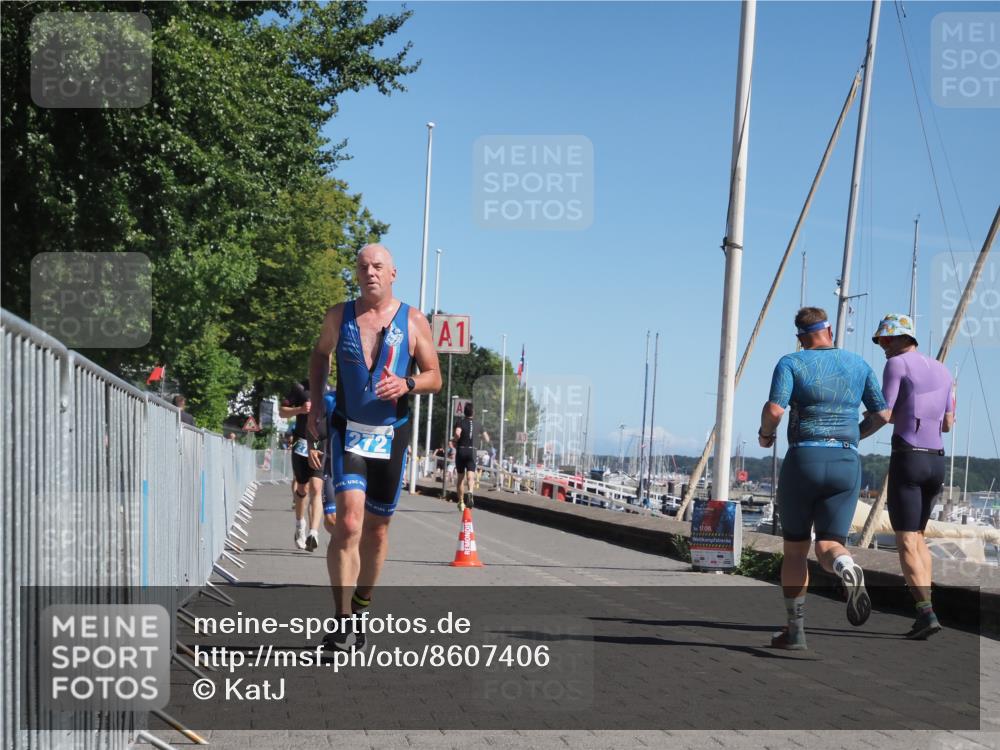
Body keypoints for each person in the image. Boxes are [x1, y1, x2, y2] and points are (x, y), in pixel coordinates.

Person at [307, 244, 441, 651]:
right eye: (364, 266)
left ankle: (363, 605)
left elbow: (435, 376)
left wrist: (408, 384)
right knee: (348, 523)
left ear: (393, 273)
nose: (370, 273)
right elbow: (319, 356)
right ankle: (341, 618)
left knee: (377, 532)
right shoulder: (339, 315)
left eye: (378, 266)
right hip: (348, 430)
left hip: (391, 435)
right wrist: (316, 403)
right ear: (357, 272)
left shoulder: (413, 320)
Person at [758, 307, 890, 650]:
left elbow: (774, 410)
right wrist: (856, 436)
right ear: (829, 330)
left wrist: (765, 434)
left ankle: (796, 631)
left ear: (801, 337)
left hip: (805, 458)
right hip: (846, 459)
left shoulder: (792, 362)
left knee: (796, 551)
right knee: (830, 545)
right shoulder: (859, 364)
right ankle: (845, 565)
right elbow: (883, 414)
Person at [873, 313, 954, 640]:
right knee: (918, 537)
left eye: (883, 341)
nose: (882, 348)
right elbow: (948, 423)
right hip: (936, 460)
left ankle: (925, 612)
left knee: (905, 538)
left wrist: (851, 433)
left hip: (908, 457)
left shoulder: (896, 365)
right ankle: (928, 609)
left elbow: (883, 412)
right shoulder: (944, 370)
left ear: (896, 338)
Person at [280, 379, 323, 552]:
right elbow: (282, 412)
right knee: (302, 487)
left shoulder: (332, 390)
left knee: (316, 487)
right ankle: (300, 526)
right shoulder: (299, 388)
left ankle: (313, 532)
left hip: (321, 444)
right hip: (301, 442)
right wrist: (299, 409)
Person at [454, 403, 489, 512]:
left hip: (461, 450)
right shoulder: (478, 424)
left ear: (465, 412)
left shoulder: (460, 422)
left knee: (460, 478)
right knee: (471, 476)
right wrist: (478, 437)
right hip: (472, 451)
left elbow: (457, 433)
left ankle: (461, 502)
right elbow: (487, 439)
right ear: (473, 412)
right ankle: (470, 492)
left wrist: (455, 440)